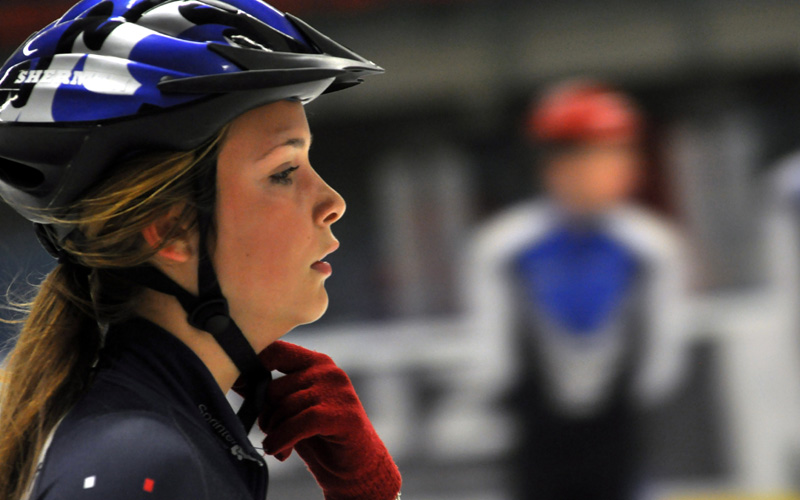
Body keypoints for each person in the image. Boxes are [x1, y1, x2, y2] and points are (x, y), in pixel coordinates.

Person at [0, 1, 401, 499]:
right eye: (283, 172)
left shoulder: (161, 439)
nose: (332, 203)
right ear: (172, 230)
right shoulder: (141, 465)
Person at [463, 80, 690, 500]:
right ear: (556, 165)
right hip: (535, 434)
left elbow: (659, 363)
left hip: (620, 431)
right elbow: (494, 356)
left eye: (623, 153)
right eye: (604, 154)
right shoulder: (506, 248)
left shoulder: (651, 248)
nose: (623, 167)